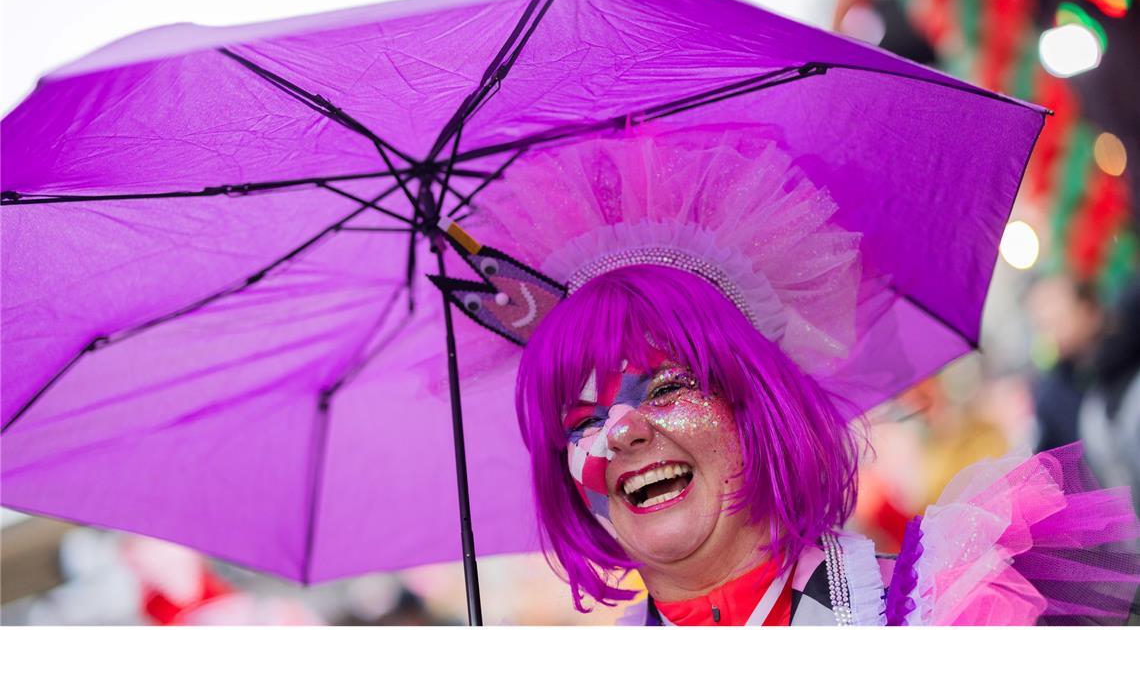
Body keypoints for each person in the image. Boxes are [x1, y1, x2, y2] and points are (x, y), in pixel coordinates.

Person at [436, 126, 1140, 625]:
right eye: (581, 419)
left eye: (666, 388)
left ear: (758, 407)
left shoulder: (941, 612)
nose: (618, 430)